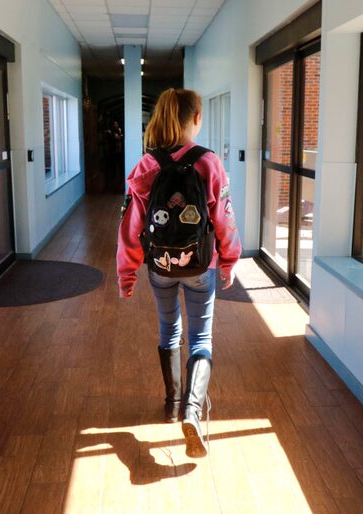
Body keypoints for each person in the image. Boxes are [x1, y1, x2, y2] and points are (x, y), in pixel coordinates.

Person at [116, 88, 241, 458]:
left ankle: (172, 405)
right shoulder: (209, 163)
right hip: (201, 265)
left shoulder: (146, 166)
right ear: (195, 119)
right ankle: (192, 409)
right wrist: (230, 261)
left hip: (161, 266)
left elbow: (129, 225)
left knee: (169, 329)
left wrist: (127, 275)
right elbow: (225, 219)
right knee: (201, 336)